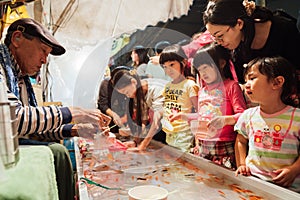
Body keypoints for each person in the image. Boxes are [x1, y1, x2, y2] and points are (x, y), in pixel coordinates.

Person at [0, 18, 110, 200]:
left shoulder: (22, 79)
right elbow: (15, 120)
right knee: (58, 153)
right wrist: (74, 113)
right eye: (43, 51)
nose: (44, 60)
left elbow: (34, 129)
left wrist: (76, 130)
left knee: (59, 152)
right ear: (17, 39)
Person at [170, 43, 247, 169]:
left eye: (206, 67)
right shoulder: (202, 90)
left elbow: (244, 116)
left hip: (223, 145)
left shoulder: (231, 86)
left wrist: (226, 120)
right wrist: (185, 116)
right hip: (202, 144)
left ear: (221, 64)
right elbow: (202, 116)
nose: (203, 73)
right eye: (199, 70)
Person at [234, 56, 300, 192]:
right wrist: (241, 164)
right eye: (246, 80)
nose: (246, 84)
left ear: (277, 82)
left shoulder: (297, 117)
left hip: (288, 190)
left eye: (252, 78)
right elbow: (241, 140)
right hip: (253, 184)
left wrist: (293, 169)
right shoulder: (248, 115)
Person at [202, 0, 300, 84]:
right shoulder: (233, 47)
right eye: (214, 37)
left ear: (239, 23)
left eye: (220, 36)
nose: (219, 42)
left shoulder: (283, 29)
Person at [111, 69, 167, 150]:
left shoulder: (156, 89)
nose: (128, 96)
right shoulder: (139, 89)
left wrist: (143, 145)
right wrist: (135, 142)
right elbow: (143, 117)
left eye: (126, 92)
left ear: (133, 82)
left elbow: (156, 121)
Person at [159, 44, 199, 152]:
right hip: (169, 132)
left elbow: (200, 113)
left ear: (184, 62)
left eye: (172, 64)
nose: (169, 70)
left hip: (184, 134)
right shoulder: (167, 86)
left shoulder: (190, 85)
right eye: (165, 67)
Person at [97, 66, 132, 134]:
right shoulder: (105, 84)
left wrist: (126, 116)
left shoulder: (127, 85)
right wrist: (114, 115)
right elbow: (103, 104)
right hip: (109, 118)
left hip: (123, 117)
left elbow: (130, 102)